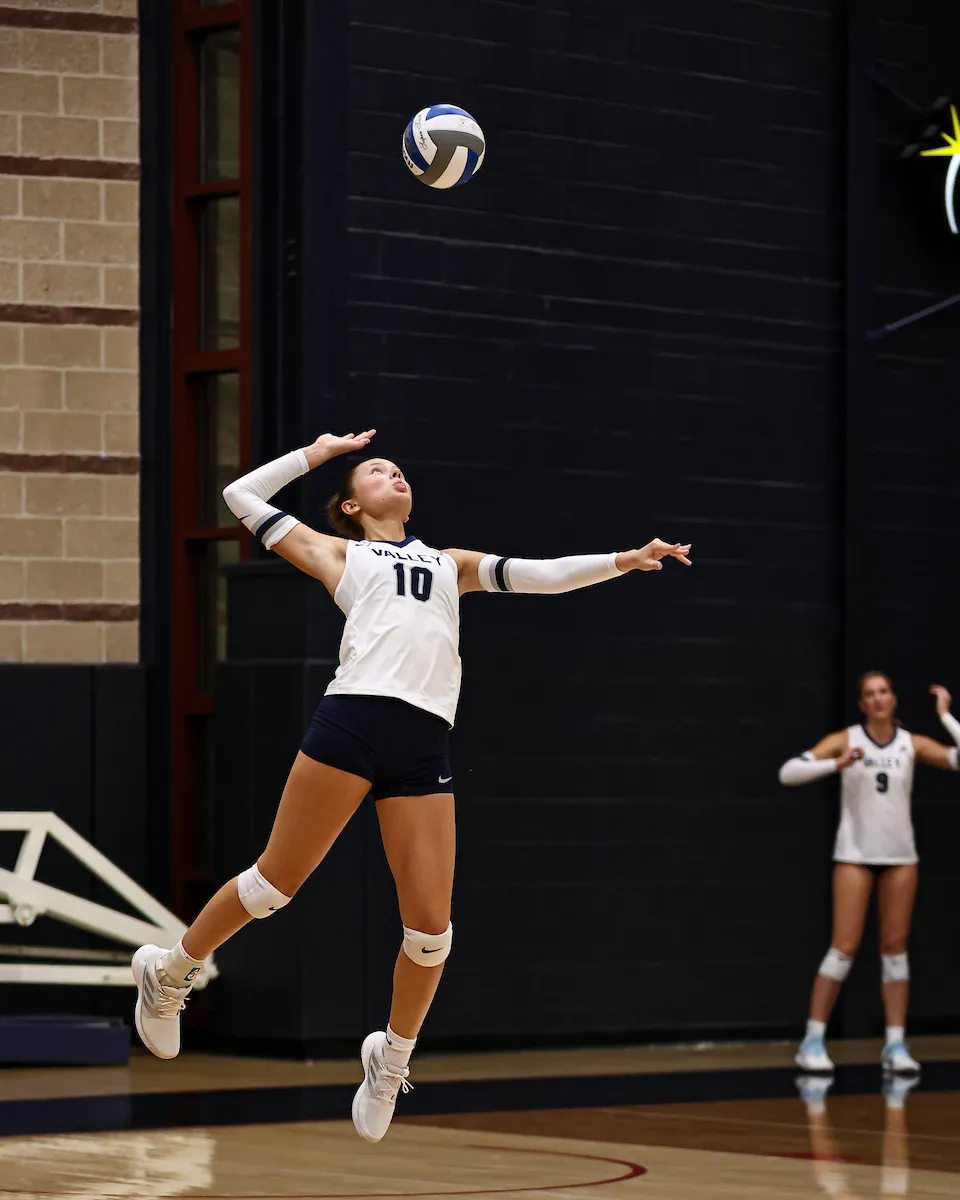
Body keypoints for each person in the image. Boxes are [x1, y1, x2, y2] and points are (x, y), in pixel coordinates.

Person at [130, 429, 692, 1143]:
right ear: (350, 504)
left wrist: (625, 560)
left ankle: (390, 1059)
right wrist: (321, 452)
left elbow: (543, 575)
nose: (391, 474)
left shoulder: (447, 562)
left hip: (424, 740)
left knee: (431, 934)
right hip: (353, 721)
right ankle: (172, 971)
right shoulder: (342, 554)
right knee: (275, 884)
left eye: (396, 468)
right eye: (373, 471)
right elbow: (240, 496)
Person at [779, 673, 960, 1074]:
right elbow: (788, 772)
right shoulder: (847, 739)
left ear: (894, 698)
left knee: (895, 948)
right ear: (862, 704)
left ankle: (895, 1045)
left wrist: (946, 718)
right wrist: (834, 764)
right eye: (869, 695)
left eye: (884, 692)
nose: (878, 700)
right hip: (855, 854)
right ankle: (812, 1039)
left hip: (900, 857)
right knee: (844, 946)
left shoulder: (911, 743)